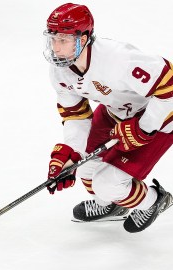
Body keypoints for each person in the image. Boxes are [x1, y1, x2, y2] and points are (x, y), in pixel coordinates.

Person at [43, 3, 173, 233]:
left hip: (161, 117)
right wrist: (71, 155)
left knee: (108, 183)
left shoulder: (117, 59)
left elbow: (169, 85)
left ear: (83, 39)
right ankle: (111, 206)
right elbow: (75, 114)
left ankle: (154, 200)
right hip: (116, 112)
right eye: (53, 39)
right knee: (84, 167)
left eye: (63, 40)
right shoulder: (60, 71)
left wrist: (144, 127)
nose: (56, 48)